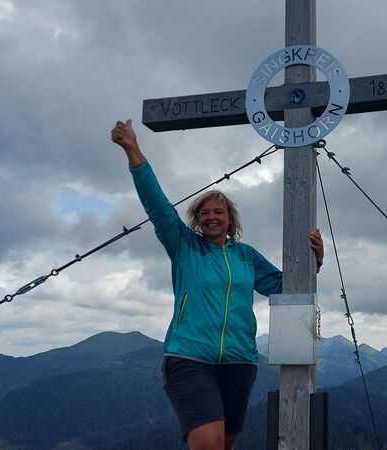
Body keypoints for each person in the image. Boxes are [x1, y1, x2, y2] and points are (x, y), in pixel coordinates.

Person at [111, 119, 324, 450]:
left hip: (240, 363)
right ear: (197, 219)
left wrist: (316, 261)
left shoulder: (246, 257)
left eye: (219, 211)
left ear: (230, 219)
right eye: (205, 212)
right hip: (189, 358)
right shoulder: (184, 247)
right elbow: (158, 206)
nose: (212, 216)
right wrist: (132, 150)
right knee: (208, 443)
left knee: (224, 445)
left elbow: (287, 287)